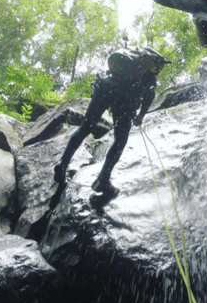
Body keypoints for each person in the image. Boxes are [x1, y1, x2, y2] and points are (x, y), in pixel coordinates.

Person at [53, 47, 170, 195]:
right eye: (161, 65)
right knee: (120, 140)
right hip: (126, 99)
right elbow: (149, 97)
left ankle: (63, 164)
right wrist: (140, 116)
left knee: (85, 127)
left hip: (106, 85)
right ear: (156, 63)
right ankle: (103, 179)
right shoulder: (149, 75)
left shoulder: (131, 60)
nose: (160, 68)